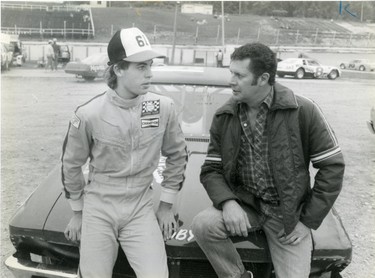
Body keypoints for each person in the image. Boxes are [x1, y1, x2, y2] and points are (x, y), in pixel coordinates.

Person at [191, 42, 345, 278]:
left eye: (239, 75)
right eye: (231, 72)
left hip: (289, 216)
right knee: (203, 225)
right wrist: (228, 203)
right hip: (246, 204)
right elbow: (211, 169)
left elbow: (332, 167)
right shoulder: (225, 115)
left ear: (263, 79)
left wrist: (307, 222)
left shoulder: (303, 110)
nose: (231, 80)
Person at [61, 27, 188, 278]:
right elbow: (71, 164)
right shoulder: (88, 114)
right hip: (99, 207)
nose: (150, 74)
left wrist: (165, 205)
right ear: (118, 69)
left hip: (140, 206)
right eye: (141, 67)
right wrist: (77, 212)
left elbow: (177, 154)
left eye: (150, 66)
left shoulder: (163, 107)